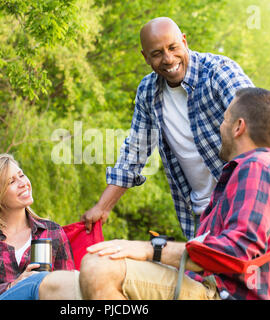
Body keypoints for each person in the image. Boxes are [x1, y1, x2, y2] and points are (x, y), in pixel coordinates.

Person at [79, 87, 270, 300]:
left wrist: (150, 249)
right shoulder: (246, 170)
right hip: (203, 284)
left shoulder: (258, 168)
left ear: (238, 127)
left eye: (225, 119)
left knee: (101, 266)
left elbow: (237, 251)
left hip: (223, 293)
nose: (221, 127)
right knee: (57, 286)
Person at [82, 17, 254, 240]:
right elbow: (135, 152)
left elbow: (258, 125)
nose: (168, 58)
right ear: (145, 57)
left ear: (184, 41)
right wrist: (102, 208)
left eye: (173, 47)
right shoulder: (148, 92)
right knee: (199, 273)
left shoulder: (218, 72)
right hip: (202, 216)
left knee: (247, 273)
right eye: (157, 53)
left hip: (245, 204)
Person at [0, 154, 77, 300]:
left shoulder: (52, 232)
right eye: (11, 182)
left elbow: (69, 288)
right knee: (39, 280)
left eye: (21, 175)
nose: (23, 183)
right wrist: (13, 286)